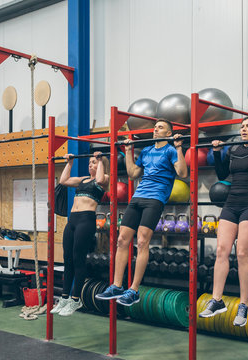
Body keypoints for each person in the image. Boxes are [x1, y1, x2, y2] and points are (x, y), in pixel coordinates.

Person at [198, 116, 248, 327]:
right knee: (221, 251)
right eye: (242, 126)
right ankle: (217, 300)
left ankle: (243, 304)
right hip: (231, 203)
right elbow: (223, 174)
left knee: (242, 253)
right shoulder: (234, 149)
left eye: (247, 126)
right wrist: (216, 153)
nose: (243, 129)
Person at [96, 119, 187, 305]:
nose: (155, 129)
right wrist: (128, 151)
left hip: (155, 199)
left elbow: (183, 173)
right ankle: (116, 285)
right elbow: (133, 173)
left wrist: (178, 148)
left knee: (142, 241)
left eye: (160, 127)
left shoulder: (170, 150)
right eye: (155, 127)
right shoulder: (146, 151)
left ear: (168, 133)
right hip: (138, 197)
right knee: (122, 240)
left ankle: (134, 289)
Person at [51, 152, 109, 316]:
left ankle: (76, 299)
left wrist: (100, 160)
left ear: (101, 164)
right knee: (67, 259)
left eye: (94, 163)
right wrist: (69, 163)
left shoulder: (104, 179)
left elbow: (98, 179)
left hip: (86, 220)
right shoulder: (83, 179)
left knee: (78, 259)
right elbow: (63, 181)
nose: (90, 165)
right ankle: (64, 298)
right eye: (90, 162)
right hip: (73, 221)